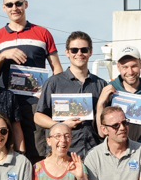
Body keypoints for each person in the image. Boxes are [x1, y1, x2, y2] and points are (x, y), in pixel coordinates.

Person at [0, 0, 63, 162]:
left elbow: (57, 68)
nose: (15, 7)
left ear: (26, 4)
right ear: (3, 7)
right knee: (7, 150)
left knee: (38, 150)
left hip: (35, 103)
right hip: (5, 102)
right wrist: (3, 55)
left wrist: (48, 94)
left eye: (18, 3)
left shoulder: (43, 33)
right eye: (10, 4)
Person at [34, 31, 107, 159]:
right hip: (62, 154)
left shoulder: (101, 84)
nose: (79, 53)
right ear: (67, 52)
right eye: (74, 50)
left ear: (90, 52)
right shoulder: (54, 82)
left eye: (84, 49)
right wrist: (61, 126)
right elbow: (38, 116)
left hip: (94, 154)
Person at [95, 45, 141, 150]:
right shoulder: (109, 92)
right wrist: (100, 104)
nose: (130, 72)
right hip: (118, 153)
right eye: (125, 67)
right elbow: (101, 133)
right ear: (118, 67)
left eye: (134, 66)